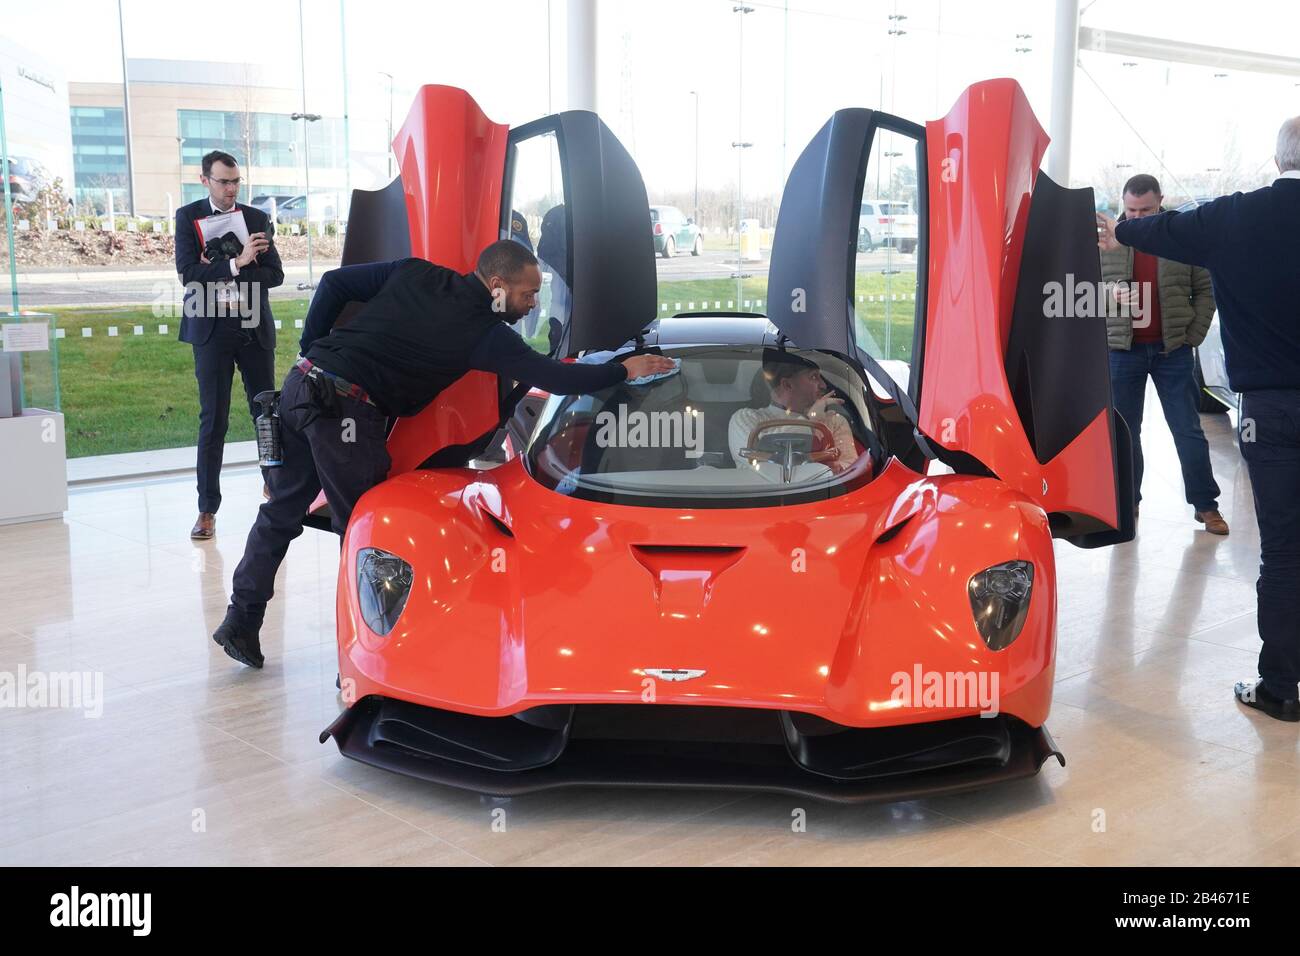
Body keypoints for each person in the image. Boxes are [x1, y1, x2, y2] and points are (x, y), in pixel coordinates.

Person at [212, 239, 673, 668]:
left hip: (301, 386)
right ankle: (363, 659)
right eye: (528, 294)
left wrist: (310, 347)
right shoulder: (484, 334)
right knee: (365, 535)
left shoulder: (416, 273)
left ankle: (241, 622)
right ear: (497, 288)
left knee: (282, 511)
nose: (533, 303)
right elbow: (555, 378)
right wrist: (621, 369)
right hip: (346, 412)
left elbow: (334, 283)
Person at [1097, 116, 1300, 722]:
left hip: (1268, 411)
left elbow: (1155, 230)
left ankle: (1282, 688)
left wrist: (1124, 228)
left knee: (1285, 551)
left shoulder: (1234, 217)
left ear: (1275, 155)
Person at [1100, 173, 1225, 533]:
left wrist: (1193, 335)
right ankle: (1128, 504)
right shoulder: (1106, 241)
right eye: (1132, 210)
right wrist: (1109, 296)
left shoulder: (1181, 237)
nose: (1138, 218)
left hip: (1174, 351)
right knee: (1125, 432)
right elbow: (1083, 292)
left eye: (1146, 210)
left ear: (1161, 202)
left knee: (1187, 430)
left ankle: (1206, 506)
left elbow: (1207, 288)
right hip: (1123, 351)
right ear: (1123, 206)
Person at [175, 150, 283, 540]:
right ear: (205, 180)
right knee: (213, 419)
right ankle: (206, 509)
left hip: (253, 326)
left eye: (236, 181)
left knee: (266, 414)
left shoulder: (256, 219)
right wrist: (234, 264)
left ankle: (275, 486)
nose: (231, 188)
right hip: (210, 329)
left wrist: (251, 261)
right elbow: (188, 273)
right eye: (223, 182)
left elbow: (276, 276)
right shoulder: (187, 217)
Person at [728, 349, 860, 480]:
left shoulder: (834, 421)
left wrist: (838, 468)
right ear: (788, 385)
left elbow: (850, 470)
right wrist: (812, 420)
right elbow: (763, 468)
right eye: (814, 377)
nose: (823, 384)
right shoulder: (746, 418)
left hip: (823, 497)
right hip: (761, 499)